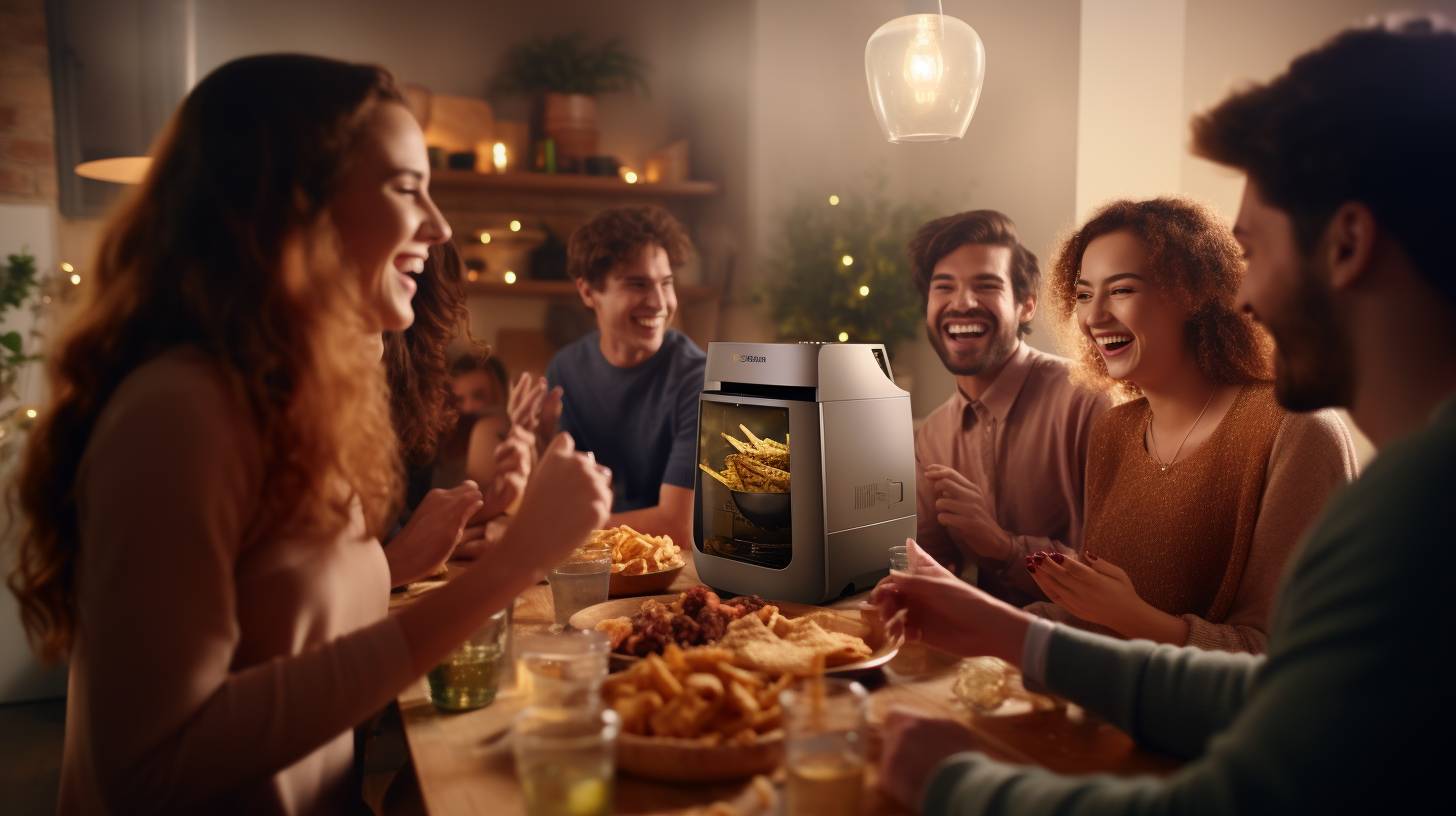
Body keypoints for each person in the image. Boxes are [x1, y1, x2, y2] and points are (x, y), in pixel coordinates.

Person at [872, 17, 1456, 813]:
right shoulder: (1410, 473)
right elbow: (1263, 695)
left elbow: (1241, 794)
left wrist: (958, 784)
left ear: (1348, 243)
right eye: (1085, 295)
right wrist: (1000, 627)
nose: (1245, 294)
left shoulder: (1412, 500)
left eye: (1258, 250)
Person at [7, 54, 611, 814]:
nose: (440, 224)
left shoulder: (291, 399)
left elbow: (277, 632)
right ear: (290, 207)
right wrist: (516, 564)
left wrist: (393, 567)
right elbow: (151, 766)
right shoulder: (181, 412)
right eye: (404, 188)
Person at [1022, 198, 1356, 652]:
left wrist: (1131, 616)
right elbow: (1099, 625)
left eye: (1121, 290)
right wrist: (977, 616)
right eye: (1083, 294)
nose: (1093, 317)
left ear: (1194, 295)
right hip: (1112, 712)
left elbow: (1286, 655)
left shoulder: (1297, 428)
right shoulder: (1114, 432)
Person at [909, 210, 1109, 605]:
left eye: (986, 285)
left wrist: (1004, 547)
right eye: (943, 287)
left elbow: (1120, 576)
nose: (961, 302)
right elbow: (933, 567)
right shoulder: (930, 436)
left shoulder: (1088, 401)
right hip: (978, 656)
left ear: (1026, 305)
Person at [517, 205, 705, 550]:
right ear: (588, 291)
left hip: (674, 573)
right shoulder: (567, 368)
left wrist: (551, 533)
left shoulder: (697, 380)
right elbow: (564, 500)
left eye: (666, 283)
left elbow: (678, 526)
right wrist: (534, 443)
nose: (659, 302)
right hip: (599, 562)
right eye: (638, 284)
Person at [382, 243, 532, 576]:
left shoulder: (482, 426)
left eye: (480, 396)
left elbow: (403, 546)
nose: (467, 409)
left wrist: (496, 509)